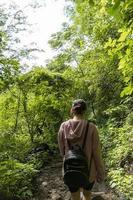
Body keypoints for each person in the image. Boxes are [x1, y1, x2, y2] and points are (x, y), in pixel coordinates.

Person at [58, 99, 105, 200]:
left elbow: (62, 151)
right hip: (89, 171)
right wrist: (100, 172)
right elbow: (96, 153)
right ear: (84, 111)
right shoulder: (92, 127)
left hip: (69, 170)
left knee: (75, 196)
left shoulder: (63, 126)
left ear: (72, 110)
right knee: (87, 195)